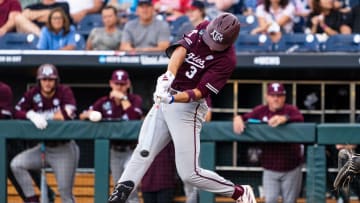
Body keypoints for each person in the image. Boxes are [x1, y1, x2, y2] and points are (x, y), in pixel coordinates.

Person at [108, 12, 256, 203]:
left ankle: (239, 192)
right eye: (211, 38)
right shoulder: (204, 27)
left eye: (217, 43)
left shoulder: (227, 60)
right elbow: (181, 49)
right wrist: (168, 76)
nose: (211, 44)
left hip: (189, 107)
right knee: (144, 150)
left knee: (189, 173)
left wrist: (172, 98)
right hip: (169, 92)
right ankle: (119, 196)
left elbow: (200, 92)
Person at [10, 64, 79, 203]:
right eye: (44, 79)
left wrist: (46, 117)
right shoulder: (33, 93)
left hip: (64, 149)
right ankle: (32, 199)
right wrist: (30, 114)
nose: (47, 83)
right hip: (44, 148)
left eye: (50, 79)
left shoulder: (64, 91)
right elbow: (16, 111)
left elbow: (69, 113)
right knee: (16, 164)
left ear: (56, 81)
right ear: (39, 80)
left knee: (65, 193)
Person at [233, 82, 304, 203]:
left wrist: (285, 118)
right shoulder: (261, 111)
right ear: (267, 96)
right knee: (270, 200)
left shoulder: (290, 110)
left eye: (279, 95)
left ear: (284, 97)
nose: (276, 98)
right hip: (270, 168)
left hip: (292, 167)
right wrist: (237, 118)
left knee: (290, 201)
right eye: (273, 95)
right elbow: (244, 117)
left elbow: (300, 119)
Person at [79, 69, 143, 203]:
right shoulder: (103, 102)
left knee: (130, 190)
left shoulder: (135, 99)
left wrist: (123, 99)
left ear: (128, 84)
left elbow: (134, 117)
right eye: (116, 83)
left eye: (122, 84)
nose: (119, 87)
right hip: (114, 151)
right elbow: (82, 114)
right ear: (111, 84)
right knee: (118, 191)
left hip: (132, 150)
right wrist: (91, 115)